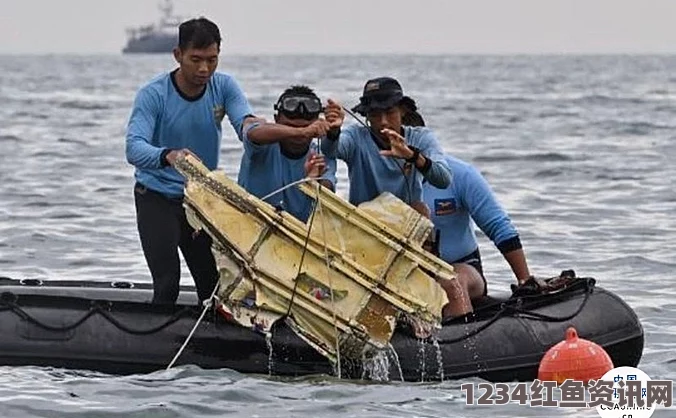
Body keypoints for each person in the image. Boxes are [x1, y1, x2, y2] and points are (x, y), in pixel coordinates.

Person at [125, 17, 260, 305]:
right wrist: (168, 155)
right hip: (156, 198)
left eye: (212, 60)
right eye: (195, 60)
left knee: (215, 290)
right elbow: (134, 149)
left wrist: (269, 131)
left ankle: (210, 348)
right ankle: (159, 345)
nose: (204, 69)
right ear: (178, 55)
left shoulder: (223, 87)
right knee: (167, 284)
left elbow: (245, 124)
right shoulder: (153, 94)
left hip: (200, 202)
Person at [399, 98, 533, 319]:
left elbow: (499, 227)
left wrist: (524, 280)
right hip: (405, 273)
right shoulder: (383, 182)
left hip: (462, 268)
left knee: (452, 283)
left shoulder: (460, 175)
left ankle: (465, 348)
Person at [320, 77, 452, 216]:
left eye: (390, 113)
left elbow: (444, 179)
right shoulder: (356, 137)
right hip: (364, 221)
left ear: (403, 111)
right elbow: (331, 150)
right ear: (367, 116)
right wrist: (333, 131)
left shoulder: (420, 138)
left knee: (420, 209)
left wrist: (412, 156)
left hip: (406, 222)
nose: (383, 122)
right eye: (375, 114)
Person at [238, 85, 339, 222]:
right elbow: (252, 133)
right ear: (276, 120)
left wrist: (313, 182)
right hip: (250, 222)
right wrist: (303, 132)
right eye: (290, 126)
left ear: (317, 123)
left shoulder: (320, 155)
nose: (299, 135)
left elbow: (329, 190)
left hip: (296, 235)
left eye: (306, 126)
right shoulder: (262, 145)